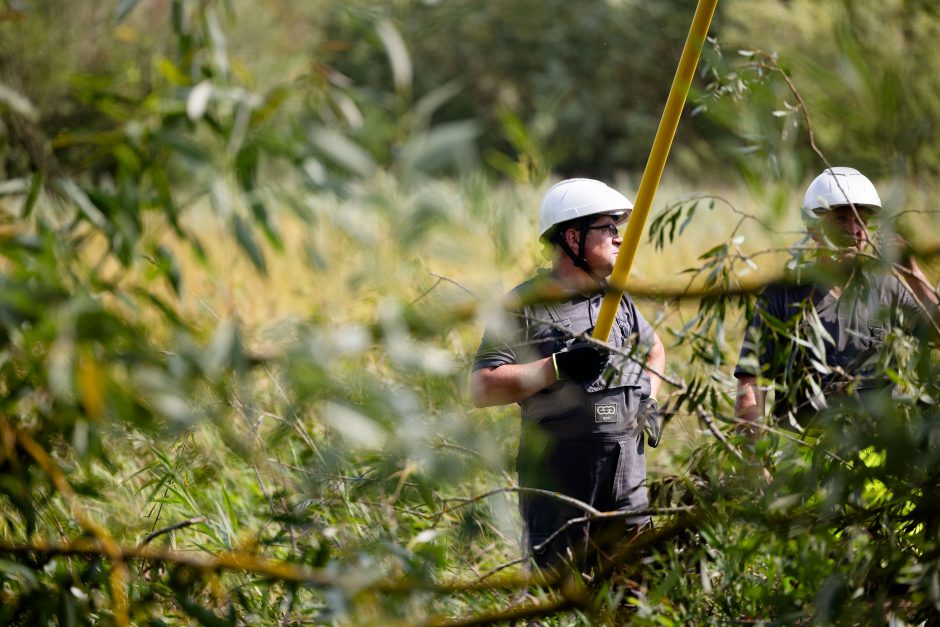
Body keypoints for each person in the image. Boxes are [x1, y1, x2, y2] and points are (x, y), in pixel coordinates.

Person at [471, 178, 666, 572]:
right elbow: (482, 387)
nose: (618, 239)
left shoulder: (617, 299)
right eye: (607, 228)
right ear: (573, 236)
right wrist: (555, 367)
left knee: (636, 605)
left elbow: (655, 349)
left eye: (618, 229)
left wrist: (650, 398)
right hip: (560, 504)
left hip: (627, 497)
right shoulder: (526, 304)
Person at [734, 166, 939, 430]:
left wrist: (913, 273)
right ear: (813, 229)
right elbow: (751, 383)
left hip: (878, 454)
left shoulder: (889, 289)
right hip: (802, 454)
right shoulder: (783, 294)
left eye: (860, 222)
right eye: (841, 219)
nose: (853, 231)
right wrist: (756, 461)